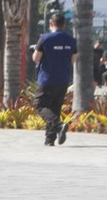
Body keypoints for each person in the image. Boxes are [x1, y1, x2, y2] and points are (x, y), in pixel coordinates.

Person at [33, 13, 77, 146]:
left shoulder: (45, 38)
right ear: (63, 25)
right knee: (55, 108)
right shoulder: (71, 40)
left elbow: (36, 58)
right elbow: (74, 59)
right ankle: (49, 139)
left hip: (47, 78)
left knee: (40, 105)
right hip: (63, 78)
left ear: (51, 24)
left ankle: (58, 126)